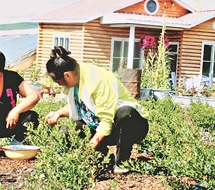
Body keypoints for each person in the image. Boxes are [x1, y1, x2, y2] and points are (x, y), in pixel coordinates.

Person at [44, 46, 149, 175]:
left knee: (125, 113)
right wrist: (58, 113)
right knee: (67, 129)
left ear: (67, 75)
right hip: (103, 127)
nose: (58, 84)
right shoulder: (76, 75)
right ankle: (102, 158)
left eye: (58, 81)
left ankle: (121, 162)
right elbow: (81, 107)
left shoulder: (97, 80)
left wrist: (88, 149)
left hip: (132, 125)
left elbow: (106, 122)